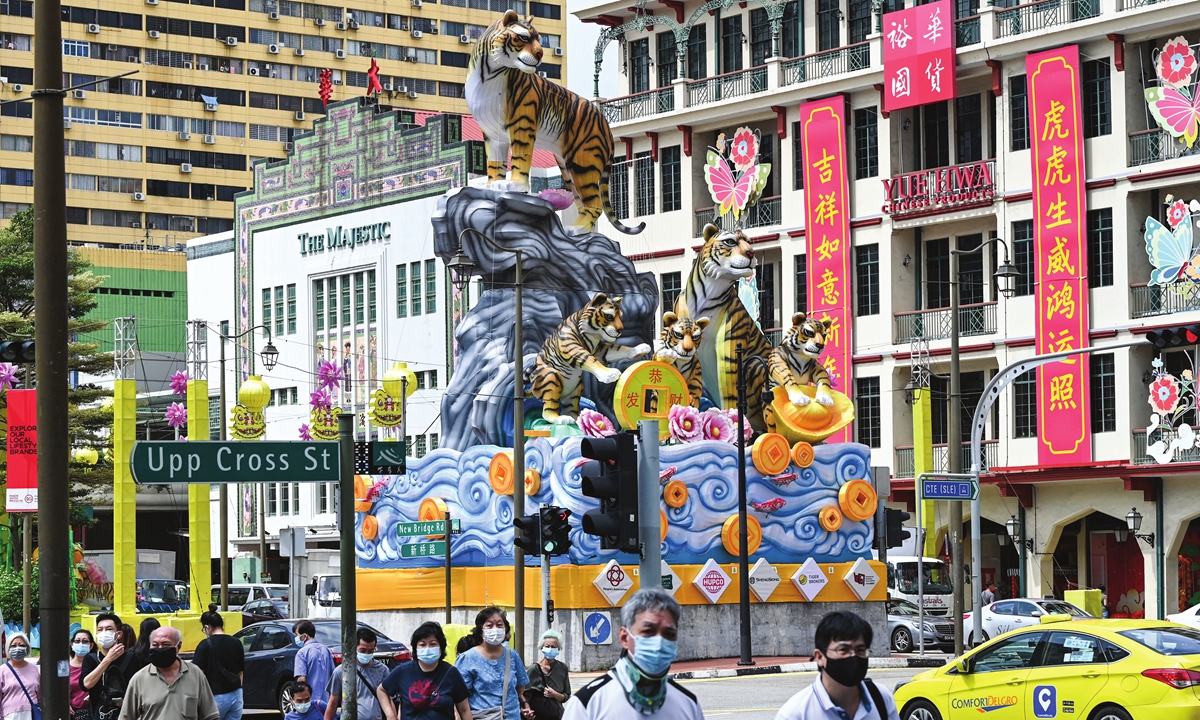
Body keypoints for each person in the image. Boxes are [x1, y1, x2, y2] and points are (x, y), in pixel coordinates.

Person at [563, 588, 702, 720]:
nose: (659, 642)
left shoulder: (689, 704)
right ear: (624, 638)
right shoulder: (588, 703)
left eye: (669, 634)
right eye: (648, 632)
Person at [774, 611, 899, 720]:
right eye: (843, 650)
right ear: (819, 657)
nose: (853, 656)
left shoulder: (881, 698)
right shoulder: (795, 715)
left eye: (860, 650)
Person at [118, 626, 218, 720]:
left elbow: (211, 715)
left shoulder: (196, 674)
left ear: (178, 646)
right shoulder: (139, 679)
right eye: (155, 645)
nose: (160, 648)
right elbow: (126, 717)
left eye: (166, 644)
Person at [378, 621, 471, 720]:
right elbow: (382, 690)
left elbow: (464, 710)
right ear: (416, 648)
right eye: (422, 645)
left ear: (441, 648)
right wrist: (390, 715)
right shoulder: (403, 671)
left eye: (433, 644)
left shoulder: (451, 673)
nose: (427, 648)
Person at [456, 608, 532, 720]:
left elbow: (520, 688)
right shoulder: (467, 658)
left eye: (499, 625)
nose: (495, 629)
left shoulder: (513, 656)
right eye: (489, 625)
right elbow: (459, 696)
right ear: (481, 630)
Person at [82, 612, 147, 720]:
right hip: (98, 714)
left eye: (108, 629)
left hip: (126, 715)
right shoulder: (90, 659)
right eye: (100, 629)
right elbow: (86, 685)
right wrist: (107, 660)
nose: (104, 633)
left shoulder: (131, 658)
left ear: (119, 634)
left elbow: (141, 688)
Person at [324, 627, 388, 720]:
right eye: (362, 650)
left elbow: (389, 700)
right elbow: (333, 702)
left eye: (371, 651)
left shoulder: (382, 670)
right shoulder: (342, 671)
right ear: (354, 647)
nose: (366, 654)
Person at [193, 606, 244, 720]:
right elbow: (241, 671)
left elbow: (196, 673)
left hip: (215, 696)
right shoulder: (236, 642)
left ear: (207, 627)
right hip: (236, 694)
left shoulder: (204, 645)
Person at [525, 630, 570, 720]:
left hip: (557, 715)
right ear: (542, 647)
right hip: (538, 716)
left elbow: (566, 695)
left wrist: (554, 694)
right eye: (547, 646)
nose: (550, 649)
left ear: (559, 649)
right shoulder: (534, 669)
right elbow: (525, 696)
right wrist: (527, 711)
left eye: (554, 647)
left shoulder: (562, 668)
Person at [293, 621, 335, 706]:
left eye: (296, 635)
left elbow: (302, 679)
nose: (296, 638)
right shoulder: (326, 649)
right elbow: (333, 675)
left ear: (304, 637)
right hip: (326, 701)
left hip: (309, 701)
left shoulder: (302, 653)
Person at [0, 633, 40, 720]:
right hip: (10, 716)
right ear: (8, 648)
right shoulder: (2, 671)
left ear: (27, 647)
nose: (17, 648)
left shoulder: (34, 669)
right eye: (13, 646)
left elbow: (40, 695)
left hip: (31, 714)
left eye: (21, 645)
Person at [70, 629, 96, 719]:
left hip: (93, 711)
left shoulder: (97, 666)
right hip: (72, 713)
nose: (81, 644)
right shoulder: (64, 667)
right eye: (77, 641)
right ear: (72, 644)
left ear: (91, 645)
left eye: (85, 641)